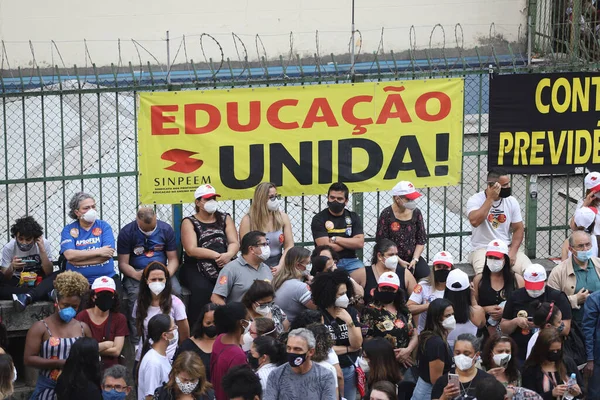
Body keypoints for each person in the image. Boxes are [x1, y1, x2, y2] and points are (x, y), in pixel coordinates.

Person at [117, 207, 181, 343]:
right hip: (137, 273)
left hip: (162, 271)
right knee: (135, 297)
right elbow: (123, 264)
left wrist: (166, 275)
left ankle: (175, 334)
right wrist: (135, 274)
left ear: (156, 218)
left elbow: (174, 259)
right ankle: (137, 341)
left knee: (176, 291)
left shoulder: (166, 229)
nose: (149, 231)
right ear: (137, 220)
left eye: (152, 228)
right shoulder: (127, 232)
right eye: (145, 229)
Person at [25, 271, 92, 400]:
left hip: (77, 390)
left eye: (74, 306)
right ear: (56, 301)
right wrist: (59, 363)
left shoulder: (83, 328)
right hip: (49, 391)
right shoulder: (40, 327)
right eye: (65, 305)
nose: (70, 309)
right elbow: (29, 359)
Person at [181, 184, 240, 323]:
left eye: (213, 198)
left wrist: (228, 255)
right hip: (197, 266)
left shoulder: (225, 218)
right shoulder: (189, 222)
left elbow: (234, 242)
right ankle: (199, 328)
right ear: (197, 202)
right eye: (207, 199)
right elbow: (191, 249)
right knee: (202, 290)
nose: (211, 201)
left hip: (226, 262)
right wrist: (216, 256)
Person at [500, 264, 572, 363]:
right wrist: (516, 322)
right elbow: (504, 326)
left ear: (546, 282)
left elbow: (566, 329)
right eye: (531, 286)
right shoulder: (515, 296)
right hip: (521, 351)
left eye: (537, 286)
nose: (534, 290)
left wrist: (543, 325)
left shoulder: (558, 297)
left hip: (550, 350)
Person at [466, 168, 531, 275]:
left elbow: (518, 228)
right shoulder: (475, 200)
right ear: (492, 185)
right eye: (504, 185)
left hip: (506, 247)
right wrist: (490, 199)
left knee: (529, 270)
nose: (508, 187)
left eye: (508, 184)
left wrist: (513, 252)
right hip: (482, 249)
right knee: (483, 275)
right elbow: (475, 221)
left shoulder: (511, 201)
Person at [311, 270, 362, 400]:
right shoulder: (317, 316)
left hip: (348, 368)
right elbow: (320, 349)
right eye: (341, 294)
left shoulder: (350, 312)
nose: (345, 297)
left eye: (346, 293)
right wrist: (347, 349)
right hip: (324, 370)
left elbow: (357, 344)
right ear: (329, 295)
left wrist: (349, 321)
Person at [311, 182, 366, 287]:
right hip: (328, 261)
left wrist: (336, 239)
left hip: (351, 260)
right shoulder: (319, 218)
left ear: (346, 201)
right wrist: (349, 242)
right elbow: (324, 247)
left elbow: (359, 243)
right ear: (328, 198)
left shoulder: (353, 217)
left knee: (363, 275)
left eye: (339, 199)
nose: (335, 201)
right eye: (332, 198)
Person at [133, 262, 189, 364]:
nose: (157, 282)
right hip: (145, 356)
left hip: (169, 358)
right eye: (153, 280)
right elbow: (139, 329)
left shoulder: (176, 303)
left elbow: (184, 334)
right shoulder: (139, 303)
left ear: (166, 280)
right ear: (146, 281)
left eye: (161, 279)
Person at [375, 180, 429, 282]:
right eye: (408, 199)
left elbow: (421, 240)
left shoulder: (416, 213)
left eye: (412, 199)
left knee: (426, 275)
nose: (411, 202)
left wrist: (415, 259)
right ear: (397, 198)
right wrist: (398, 260)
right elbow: (381, 242)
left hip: (412, 257)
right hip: (392, 258)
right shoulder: (386, 214)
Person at [362, 271, 418, 369]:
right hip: (382, 363)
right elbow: (367, 340)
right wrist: (392, 355)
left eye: (391, 289)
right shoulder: (370, 310)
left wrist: (408, 350)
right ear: (378, 288)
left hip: (405, 361)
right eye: (384, 288)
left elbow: (414, 334)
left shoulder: (404, 310)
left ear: (397, 291)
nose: (387, 291)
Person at [1, 216, 56, 311]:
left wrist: (42, 250)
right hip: (17, 281)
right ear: (15, 237)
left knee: (60, 275)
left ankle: (28, 295)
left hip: (39, 279)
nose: (24, 243)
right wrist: (12, 267)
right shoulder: (9, 248)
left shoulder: (43, 244)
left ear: (35, 238)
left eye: (28, 239)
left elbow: (49, 272)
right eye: (20, 239)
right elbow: (5, 278)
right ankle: (44, 293)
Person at [60, 192, 118, 285]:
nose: (91, 210)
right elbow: (70, 255)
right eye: (86, 208)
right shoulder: (68, 230)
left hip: (106, 278)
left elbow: (107, 254)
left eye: (93, 206)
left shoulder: (104, 226)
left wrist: (76, 262)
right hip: (76, 280)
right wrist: (99, 252)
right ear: (77, 212)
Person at [264, 328, 336, 400]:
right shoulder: (276, 375)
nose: (291, 352)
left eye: (297, 349)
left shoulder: (325, 376)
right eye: (289, 348)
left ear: (310, 352)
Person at [473, 239, 524, 338]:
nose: (493, 261)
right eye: (490, 257)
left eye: (497, 258)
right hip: (485, 331)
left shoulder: (517, 280)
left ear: (505, 259)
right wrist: (486, 309)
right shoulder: (479, 280)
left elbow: (523, 306)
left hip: (511, 332)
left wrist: (506, 311)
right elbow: (473, 308)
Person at [75, 276, 128, 369]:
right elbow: (79, 349)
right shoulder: (82, 316)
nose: (105, 297)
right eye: (101, 293)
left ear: (114, 297)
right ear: (93, 296)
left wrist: (91, 349)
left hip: (111, 370)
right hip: (88, 369)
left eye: (108, 294)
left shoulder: (120, 318)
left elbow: (116, 351)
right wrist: (105, 345)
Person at [548, 230, 600, 325]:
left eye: (588, 244)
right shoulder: (558, 272)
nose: (585, 249)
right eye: (580, 246)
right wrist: (574, 300)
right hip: (574, 327)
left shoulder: (598, 265)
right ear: (571, 249)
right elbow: (550, 305)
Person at [239, 182, 294, 271]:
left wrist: (280, 265)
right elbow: (246, 250)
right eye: (271, 197)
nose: (275, 200)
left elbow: (289, 245)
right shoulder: (248, 220)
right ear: (261, 199)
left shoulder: (282, 217)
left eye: (276, 196)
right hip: (255, 265)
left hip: (279, 263)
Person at [211, 231, 273, 305]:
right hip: (241, 315)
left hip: (264, 314)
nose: (267, 247)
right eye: (263, 244)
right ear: (251, 249)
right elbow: (216, 298)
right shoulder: (231, 269)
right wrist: (230, 314)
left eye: (267, 244)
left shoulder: (266, 269)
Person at [410, 298, 454, 400]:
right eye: (448, 316)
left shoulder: (433, 337)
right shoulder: (436, 343)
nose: (452, 318)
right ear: (438, 318)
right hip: (429, 393)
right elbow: (436, 380)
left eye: (452, 314)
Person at [522, 328, 583, 399]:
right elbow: (528, 397)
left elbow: (582, 389)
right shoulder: (530, 369)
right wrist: (551, 394)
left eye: (558, 350)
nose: (556, 353)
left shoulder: (568, 363)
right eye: (552, 351)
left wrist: (578, 391)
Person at [431, 333, 492, 400]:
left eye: (466, 354)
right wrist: (444, 397)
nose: (461, 357)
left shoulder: (487, 380)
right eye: (457, 353)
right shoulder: (443, 381)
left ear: (477, 355)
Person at [211, 302, 251, 400]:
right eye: (248, 319)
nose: (249, 322)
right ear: (241, 323)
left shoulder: (219, 339)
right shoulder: (237, 355)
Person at [407, 251, 453, 333]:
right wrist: (430, 306)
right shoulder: (423, 285)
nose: (442, 270)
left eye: (445, 267)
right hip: (427, 333)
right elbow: (408, 308)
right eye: (438, 266)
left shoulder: (457, 287)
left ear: (451, 269)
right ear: (434, 268)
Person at [173, 303, 218, 382]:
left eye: (215, 322)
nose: (212, 326)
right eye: (208, 323)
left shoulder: (227, 344)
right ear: (201, 323)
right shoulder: (188, 346)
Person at [365, 239, 417, 305]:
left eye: (396, 255)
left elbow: (416, 299)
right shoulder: (364, 273)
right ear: (379, 256)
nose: (395, 258)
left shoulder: (405, 273)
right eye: (391, 255)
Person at [272, 247, 317, 323]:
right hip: (293, 329)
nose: (310, 266)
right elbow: (318, 307)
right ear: (298, 265)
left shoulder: (279, 280)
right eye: (308, 263)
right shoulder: (299, 287)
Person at [443, 269, 485, 348]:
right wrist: (472, 297)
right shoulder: (477, 311)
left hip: (446, 350)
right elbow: (481, 324)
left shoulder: (440, 311)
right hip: (469, 350)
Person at [137, 314, 175, 400]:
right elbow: (150, 396)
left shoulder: (161, 356)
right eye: (174, 329)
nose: (176, 332)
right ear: (165, 335)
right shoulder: (153, 363)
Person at [572, 171, 600, 236]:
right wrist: (585, 205)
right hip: (593, 241)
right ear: (590, 191)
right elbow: (574, 227)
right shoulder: (583, 202)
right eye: (597, 190)